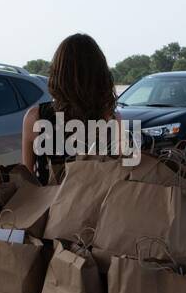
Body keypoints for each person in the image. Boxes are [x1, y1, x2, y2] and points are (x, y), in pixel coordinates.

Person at [22, 33, 120, 184]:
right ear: (100, 74)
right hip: (99, 205)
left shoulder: (35, 117)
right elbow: (119, 176)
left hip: (50, 206)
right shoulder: (112, 119)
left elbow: (27, 179)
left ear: (59, 73)